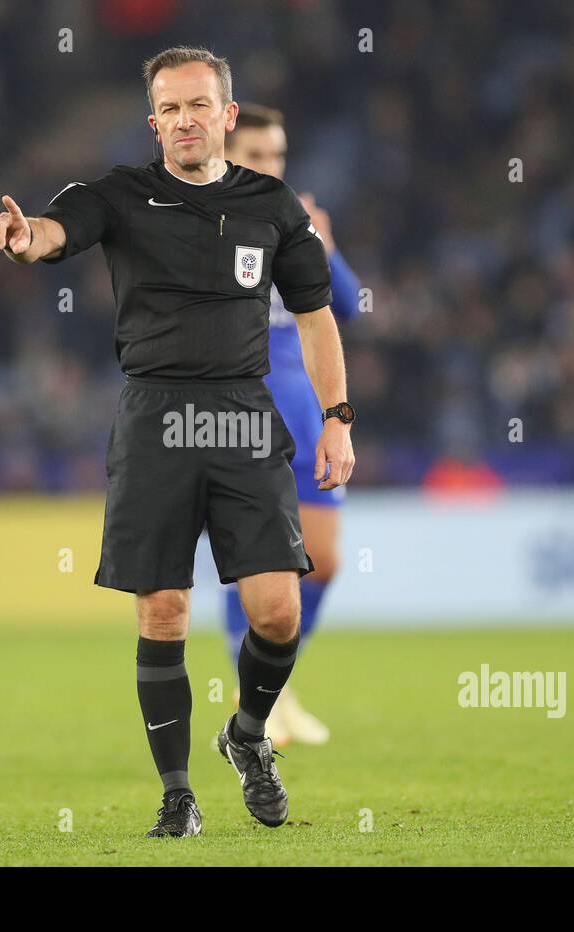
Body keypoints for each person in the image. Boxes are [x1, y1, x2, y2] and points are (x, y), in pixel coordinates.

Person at [0, 46, 356, 837]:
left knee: (279, 610)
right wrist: (24, 236)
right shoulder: (117, 195)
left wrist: (336, 417)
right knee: (162, 610)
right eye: (170, 109)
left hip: (245, 417)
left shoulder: (274, 206)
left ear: (226, 114)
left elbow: (319, 316)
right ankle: (177, 795)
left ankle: (247, 734)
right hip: (156, 417)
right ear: (155, 123)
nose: (185, 120)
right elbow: (54, 230)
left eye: (198, 106)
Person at [221, 103, 362, 747]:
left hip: (310, 416)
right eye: (255, 156)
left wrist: (325, 250)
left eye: (276, 156)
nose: (269, 167)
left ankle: (275, 688)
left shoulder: (299, 221)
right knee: (256, 562)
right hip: (244, 415)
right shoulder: (210, 225)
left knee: (324, 560)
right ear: (226, 157)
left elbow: (352, 308)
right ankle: (254, 700)